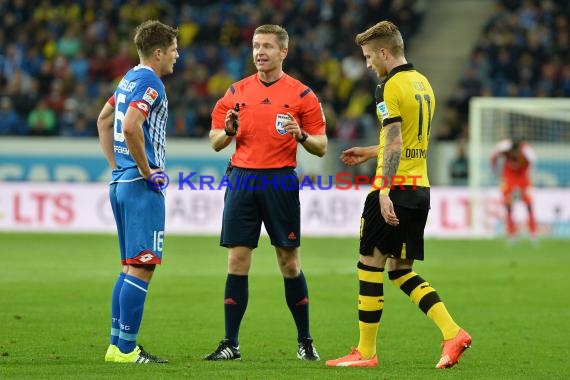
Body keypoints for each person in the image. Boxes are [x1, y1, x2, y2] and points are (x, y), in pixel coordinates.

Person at [325, 21, 472, 369]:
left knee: (368, 265)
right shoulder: (422, 84)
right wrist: (368, 150)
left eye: (368, 57)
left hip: (394, 189)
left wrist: (384, 190)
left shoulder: (387, 87)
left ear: (384, 53)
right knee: (400, 270)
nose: (367, 64)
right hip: (419, 187)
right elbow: (406, 139)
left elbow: (394, 141)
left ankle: (365, 352)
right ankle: (453, 333)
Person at [204, 24, 327, 362]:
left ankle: (305, 341)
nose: (259, 52)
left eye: (267, 46)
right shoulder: (235, 92)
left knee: (288, 262)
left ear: (283, 52)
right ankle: (230, 343)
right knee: (237, 259)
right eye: (256, 46)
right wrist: (227, 131)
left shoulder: (302, 95)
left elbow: (321, 146)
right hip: (242, 180)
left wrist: (300, 135)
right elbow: (215, 141)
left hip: (280, 180)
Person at [96, 20, 179, 364]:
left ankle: (117, 346)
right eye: (173, 49)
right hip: (140, 185)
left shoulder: (129, 78)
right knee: (143, 265)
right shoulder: (150, 82)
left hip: (121, 183)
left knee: (131, 266)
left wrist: (117, 167)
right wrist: (146, 171)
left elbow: (104, 119)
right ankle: (127, 349)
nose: (178, 55)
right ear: (158, 52)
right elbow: (130, 125)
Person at [490, 138, 537, 241]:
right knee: (508, 207)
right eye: (513, 152)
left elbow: (533, 160)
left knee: (529, 207)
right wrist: (496, 171)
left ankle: (533, 233)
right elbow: (493, 157)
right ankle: (512, 233)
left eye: (517, 152)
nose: (514, 154)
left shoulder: (525, 155)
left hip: (523, 182)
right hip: (510, 182)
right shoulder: (505, 153)